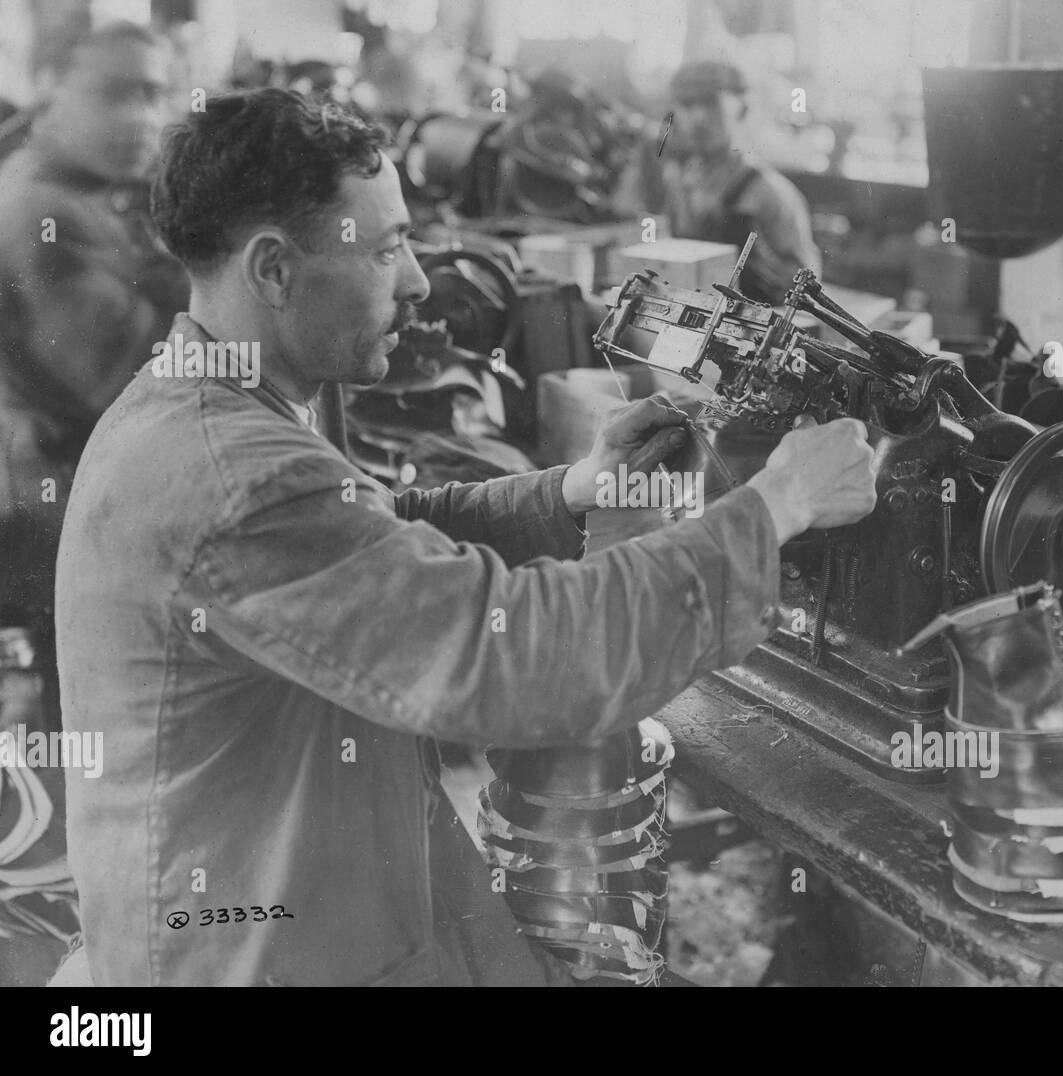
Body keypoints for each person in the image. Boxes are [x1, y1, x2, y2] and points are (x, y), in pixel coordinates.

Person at [52, 88, 879, 986]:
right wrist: (775, 509)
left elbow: (373, 539)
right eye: (388, 248)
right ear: (274, 271)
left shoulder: (221, 396)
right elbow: (519, 656)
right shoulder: (234, 475)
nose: (416, 280)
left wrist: (568, 493)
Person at [0, 20, 184, 640]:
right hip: (68, 525)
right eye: (116, 93)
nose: (142, 118)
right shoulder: (42, 211)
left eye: (155, 95)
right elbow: (133, 380)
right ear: (52, 86)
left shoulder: (96, 194)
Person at [661, 59, 822, 305]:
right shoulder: (679, 182)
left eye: (710, 103)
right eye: (687, 104)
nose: (699, 117)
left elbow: (809, 286)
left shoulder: (768, 192)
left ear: (742, 109)